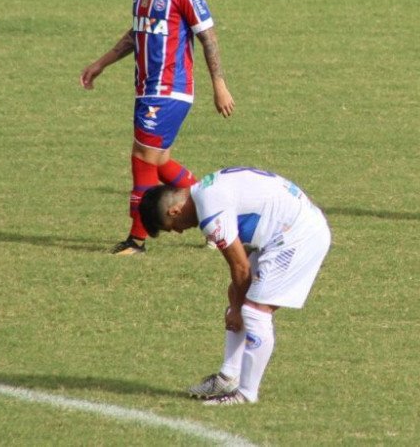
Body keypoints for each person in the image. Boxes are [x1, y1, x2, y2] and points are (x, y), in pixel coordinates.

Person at [81, 0, 235, 255]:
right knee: (160, 158)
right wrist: (101, 63)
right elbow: (135, 34)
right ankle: (215, 214)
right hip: (147, 90)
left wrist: (219, 85)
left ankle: (137, 239)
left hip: (169, 90)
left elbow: (207, 35)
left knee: (142, 159)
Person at [138, 166, 331, 405]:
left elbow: (240, 268)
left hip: (298, 236)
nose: (178, 232)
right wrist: (235, 303)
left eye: (172, 226)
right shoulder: (206, 190)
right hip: (287, 230)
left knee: (253, 312)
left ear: (174, 210)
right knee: (236, 298)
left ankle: (246, 394)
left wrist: (239, 309)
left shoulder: (209, 210)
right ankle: (228, 377)